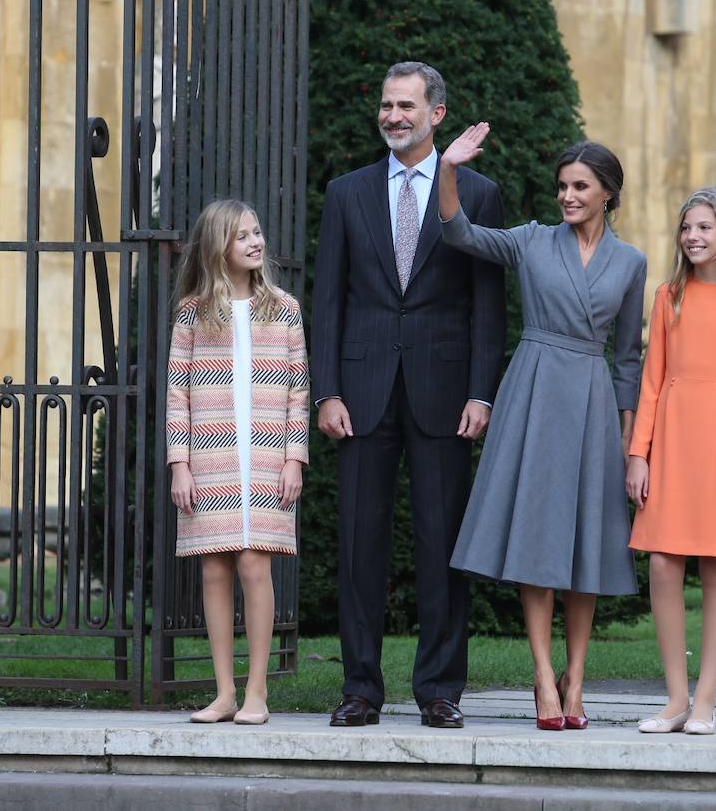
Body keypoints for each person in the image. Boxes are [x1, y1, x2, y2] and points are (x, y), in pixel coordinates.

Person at [311, 62, 506, 729]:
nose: (393, 115)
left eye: (406, 106)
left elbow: (488, 305)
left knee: (442, 544)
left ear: (436, 115)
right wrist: (326, 390)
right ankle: (360, 688)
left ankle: (440, 689)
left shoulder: (478, 194)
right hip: (361, 392)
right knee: (359, 546)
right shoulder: (346, 193)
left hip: (445, 392)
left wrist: (482, 392)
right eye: (387, 104)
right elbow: (328, 300)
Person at [438, 124, 647, 731]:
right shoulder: (531, 240)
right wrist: (448, 169)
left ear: (607, 193)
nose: (567, 196)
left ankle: (575, 678)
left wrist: (630, 436)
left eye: (580, 186)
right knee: (537, 538)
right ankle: (541, 673)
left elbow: (628, 357)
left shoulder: (631, 262)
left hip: (592, 403)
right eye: (562, 186)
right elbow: (459, 232)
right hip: (533, 392)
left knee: (586, 541)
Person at [626, 187, 716, 736]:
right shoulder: (669, 296)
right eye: (687, 227)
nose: (693, 236)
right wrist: (638, 454)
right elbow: (652, 381)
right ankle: (674, 699)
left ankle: (706, 699)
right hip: (672, 439)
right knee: (663, 563)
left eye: (705, 227)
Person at [166, 199, 310, 726]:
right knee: (214, 567)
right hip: (212, 457)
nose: (256, 242)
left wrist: (294, 458)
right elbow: (177, 393)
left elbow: (298, 390)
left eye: (257, 232)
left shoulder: (284, 309)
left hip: (268, 457)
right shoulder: (193, 313)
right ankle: (224, 691)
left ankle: (257, 690)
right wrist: (179, 464)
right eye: (242, 236)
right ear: (217, 247)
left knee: (254, 563)